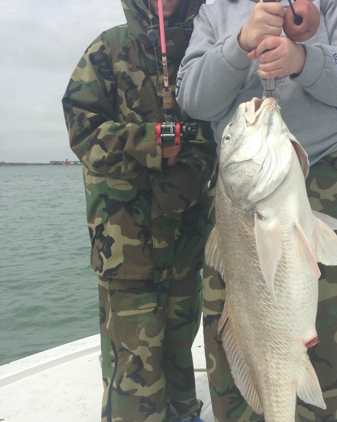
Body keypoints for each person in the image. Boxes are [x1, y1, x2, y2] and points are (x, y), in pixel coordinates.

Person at [176, 0, 337, 421]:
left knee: (329, 328)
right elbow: (192, 98)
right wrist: (238, 45)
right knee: (234, 318)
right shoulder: (214, 11)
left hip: (327, 170)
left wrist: (305, 59)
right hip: (241, 192)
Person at [62, 0, 216, 421]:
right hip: (125, 244)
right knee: (133, 359)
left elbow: (215, 138)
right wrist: (149, 141)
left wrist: (191, 156)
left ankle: (185, 413)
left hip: (186, 241)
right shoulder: (108, 48)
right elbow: (82, 131)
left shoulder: (203, 52)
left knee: (180, 345)